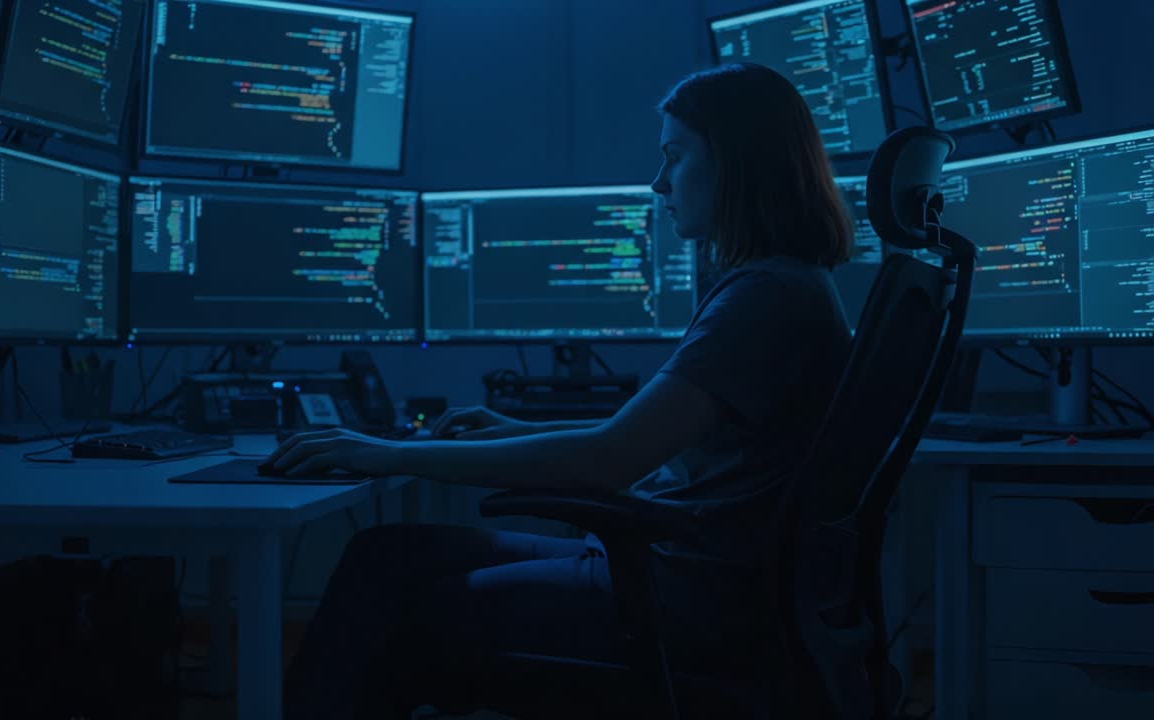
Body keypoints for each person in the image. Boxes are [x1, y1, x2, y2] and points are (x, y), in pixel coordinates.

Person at [270, 62, 855, 719]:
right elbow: (645, 439)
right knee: (383, 553)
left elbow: (609, 461)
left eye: (675, 157)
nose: (659, 182)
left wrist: (389, 453)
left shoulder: (765, 296)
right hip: (685, 570)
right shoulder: (779, 284)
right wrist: (517, 432)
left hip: (684, 595)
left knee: (399, 609)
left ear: (741, 165)